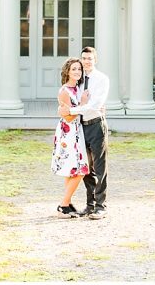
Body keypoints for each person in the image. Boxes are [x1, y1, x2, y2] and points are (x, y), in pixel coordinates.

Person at [59, 46, 109, 220]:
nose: (86, 61)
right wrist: (68, 109)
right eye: (84, 58)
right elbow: (69, 100)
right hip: (81, 127)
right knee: (86, 168)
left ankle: (101, 206)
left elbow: (95, 105)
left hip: (96, 125)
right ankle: (90, 206)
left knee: (100, 167)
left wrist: (73, 110)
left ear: (95, 60)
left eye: (89, 58)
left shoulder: (101, 79)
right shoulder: (79, 79)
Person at [52, 58, 90, 217]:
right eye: (74, 69)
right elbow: (67, 118)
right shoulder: (64, 91)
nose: (77, 72)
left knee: (73, 170)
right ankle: (63, 205)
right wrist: (82, 105)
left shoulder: (78, 89)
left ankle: (66, 205)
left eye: (79, 69)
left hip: (77, 132)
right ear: (67, 71)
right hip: (68, 133)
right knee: (81, 170)